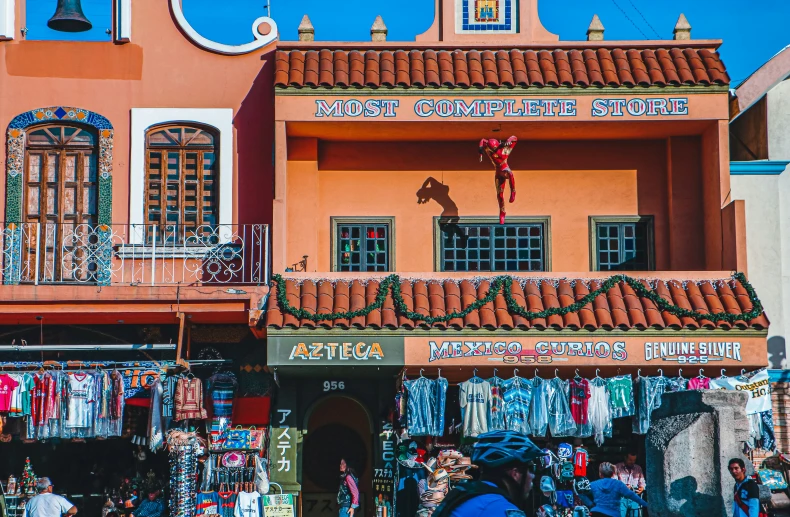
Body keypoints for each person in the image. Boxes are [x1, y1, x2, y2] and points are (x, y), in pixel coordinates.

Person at [433, 430, 544, 517]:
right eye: (531, 469)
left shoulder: (465, 494)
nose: (533, 476)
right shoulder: (498, 507)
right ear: (515, 473)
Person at [576, 462, 647, 517]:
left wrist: (590, 504)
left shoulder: (594, 484)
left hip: (597, 512)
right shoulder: (618, 484)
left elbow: (581, 493)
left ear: (600, 474)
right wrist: (646, 504)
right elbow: (632, 495)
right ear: (613, 474)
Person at [615, 451, 646, 517]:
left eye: (634, 460)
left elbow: (642, 482)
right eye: (630, 460)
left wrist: (642, 488)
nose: (632, 462)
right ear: (625, 458)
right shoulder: (616, 467)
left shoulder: (638, 468)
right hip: (621, 499)